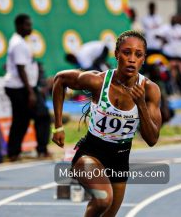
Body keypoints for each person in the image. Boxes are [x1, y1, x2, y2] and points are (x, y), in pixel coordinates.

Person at [52, 30, 162, 216]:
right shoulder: (98, 81)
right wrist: (58, 126)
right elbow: (60, 80)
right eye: (126, 53)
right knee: (103, 199)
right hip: (91, 153)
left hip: (120, 159)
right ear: (116, 54)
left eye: (138, 54)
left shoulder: (150, 90)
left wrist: (141, 105)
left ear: (144, 59)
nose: (132, 59)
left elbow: (152, 140)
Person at [4, 14, 51, 161]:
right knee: (42, 115)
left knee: (21, 119)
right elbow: (20, 68)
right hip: (21, 88)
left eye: (30, 24)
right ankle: (41, 150)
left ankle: (14, 152)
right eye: (27, 25)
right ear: (19, 26)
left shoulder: (19, 42)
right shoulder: (18, 44)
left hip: (21, 87)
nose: (30, 28)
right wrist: (30, 92)